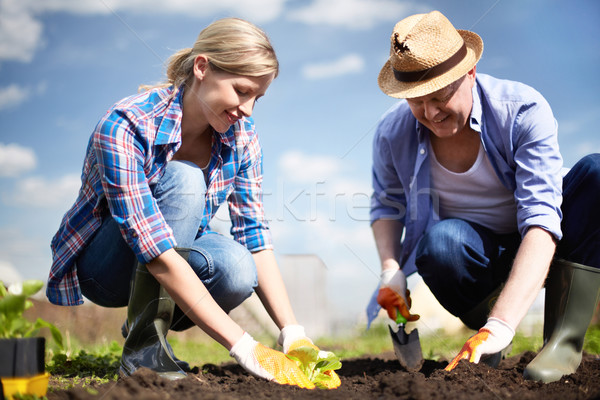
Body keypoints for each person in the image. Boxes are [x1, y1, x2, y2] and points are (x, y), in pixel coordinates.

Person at [47, 18, 340, 389]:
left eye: (257, 98)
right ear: (202, 68)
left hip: (171, 258)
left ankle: (148, 328)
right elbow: (152, 246)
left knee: (238, 267)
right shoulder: (126, 125)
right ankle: (143, 352)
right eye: (241, 90)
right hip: (106, 268)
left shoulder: (243, 139)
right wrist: (244, 347)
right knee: (185, 179)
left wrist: (291, 332)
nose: (247, 109)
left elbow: (254, 235)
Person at [370, 10, 599, 383]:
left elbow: (541, 216)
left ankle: (562, 343)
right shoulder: (392, 132)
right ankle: (486, 342)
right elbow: (385, 204)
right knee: (439, 245)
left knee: (596, 173)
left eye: (439, 95)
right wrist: (390, 271)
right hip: (480, 256)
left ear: (469, 73)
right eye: (416, 101)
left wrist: (505, 322)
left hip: (553, 243)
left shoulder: (522, 110)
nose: (429, 113)